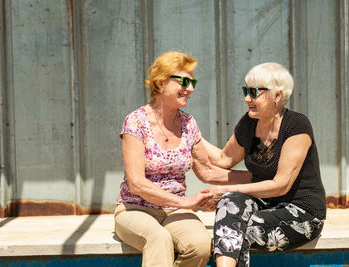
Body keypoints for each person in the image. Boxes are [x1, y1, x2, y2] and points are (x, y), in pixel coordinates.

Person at [114, 51, 249, 267]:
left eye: (193, 81)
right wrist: (184, 202)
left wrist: (257, 177)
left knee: (200, 245)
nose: (191, 89)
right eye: (185, 81)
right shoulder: (135, 122)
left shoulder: (188, 124)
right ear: (160, 83)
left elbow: (207, 171)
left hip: (174, 211)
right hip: (135, 208)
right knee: (159, 239)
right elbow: (137, 183)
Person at [199, 62, 326, 267]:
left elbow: (280, 185)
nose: (246, 98)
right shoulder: (248, 123)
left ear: (277, 95)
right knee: (230, 203)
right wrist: (191, 133)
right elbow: (224, 159)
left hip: (302, 212)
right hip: (265, 204)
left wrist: (222, 189)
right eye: (245, 91)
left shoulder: (296, 125)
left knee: (243, 230)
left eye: (254, 92)